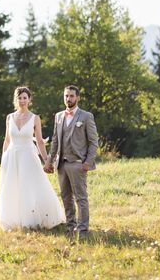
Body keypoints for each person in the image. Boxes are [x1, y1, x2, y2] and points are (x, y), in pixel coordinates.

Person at [0, 86, 65, 231]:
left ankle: (33, 219)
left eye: (24, 98)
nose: (22, 101)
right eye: (19, 98)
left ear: (29, 100)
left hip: (28, 156)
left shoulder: (35, 118)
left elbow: (40, 141)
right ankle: (14, 219)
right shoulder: (10, 117)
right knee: (13, 187)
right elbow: (7, 140)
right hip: (12, 157)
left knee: (30, 186)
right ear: (16, 100)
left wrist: (47, 159)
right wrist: (4, 159)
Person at [44, 85, 98, 240]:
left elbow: (94, 142)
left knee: (81, 198)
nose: (68, 99)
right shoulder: (59, 116)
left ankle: (82, 230)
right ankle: (70, 227)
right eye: (66, 96)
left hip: (78, 163)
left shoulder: (86, 116)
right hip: (61, 164)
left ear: (78, 97)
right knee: (66, 197)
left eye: (71, 96)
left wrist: (88, 162)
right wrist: (49, 161)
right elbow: (55, 141)